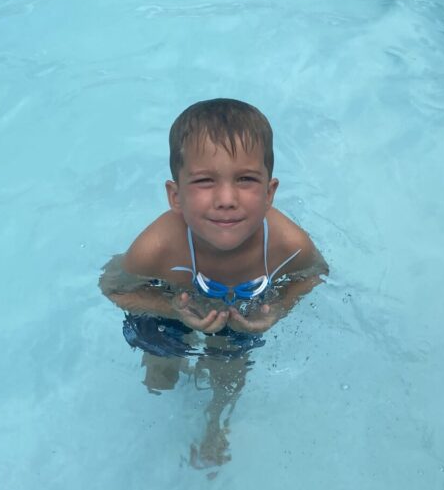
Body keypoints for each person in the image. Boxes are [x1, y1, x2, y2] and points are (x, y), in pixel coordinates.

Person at [100, 98, 327, 468]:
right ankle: (164, 384)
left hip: (240, 315)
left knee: (228, 373)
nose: (226, 199)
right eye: (205, 181)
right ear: (176, 196)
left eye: (246, 180)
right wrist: (171, 308)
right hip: (169, 306)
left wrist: (279, 309)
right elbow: (113, 286)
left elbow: (314, 275)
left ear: (269, 193)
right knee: (161, 376)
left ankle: (215, 426)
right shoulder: (158, 248)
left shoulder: (287, 244)